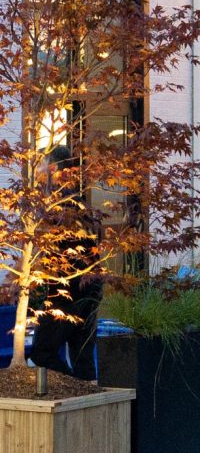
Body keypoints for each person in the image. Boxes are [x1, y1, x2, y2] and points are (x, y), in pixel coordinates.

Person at [30, 146, 104, 381]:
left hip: (69, 289)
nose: (36, 170)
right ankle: (87, 398)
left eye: (40, 164)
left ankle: (72, 386)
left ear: (53, 168)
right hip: (90, 285)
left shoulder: (59, 205)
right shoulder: (77, 200)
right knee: (82, 355)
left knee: (42, 350)